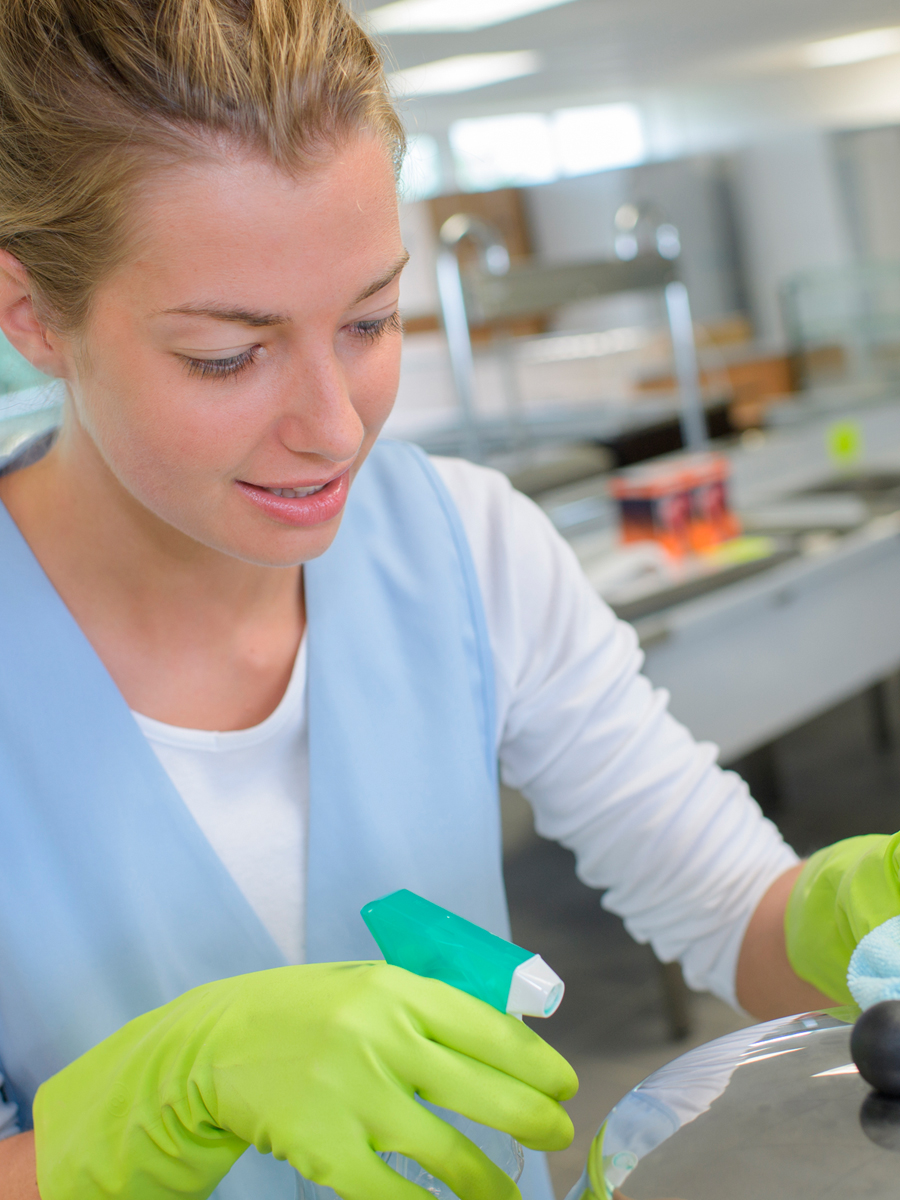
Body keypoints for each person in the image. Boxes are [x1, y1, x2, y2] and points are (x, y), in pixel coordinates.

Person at [0, 0, 897, 1196]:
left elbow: (734, 912)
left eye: (371, 320)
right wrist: (136, 1119)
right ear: (30, 315)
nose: (334, 428)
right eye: (228, 355)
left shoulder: (465, 544)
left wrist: (850, 918)